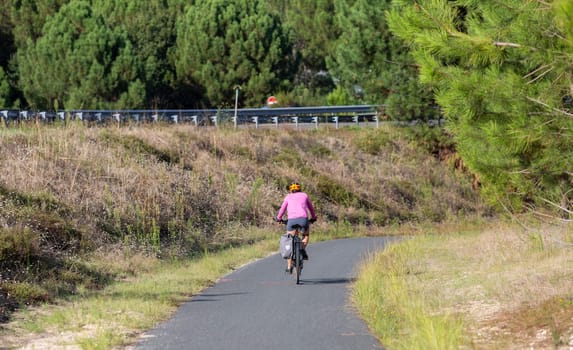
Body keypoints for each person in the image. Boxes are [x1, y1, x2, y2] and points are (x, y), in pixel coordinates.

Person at [276, 182, 317, 272]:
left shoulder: (288, 197)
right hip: (303, 220)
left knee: (289, 241)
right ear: (300, 189)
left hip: (291, 221)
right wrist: (313, 218)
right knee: (305, 236)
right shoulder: (304, 195)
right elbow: (311, 208)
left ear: (291, 190)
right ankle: (301, 249)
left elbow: (282, 208)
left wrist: (279, 218)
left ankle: (289, 266)